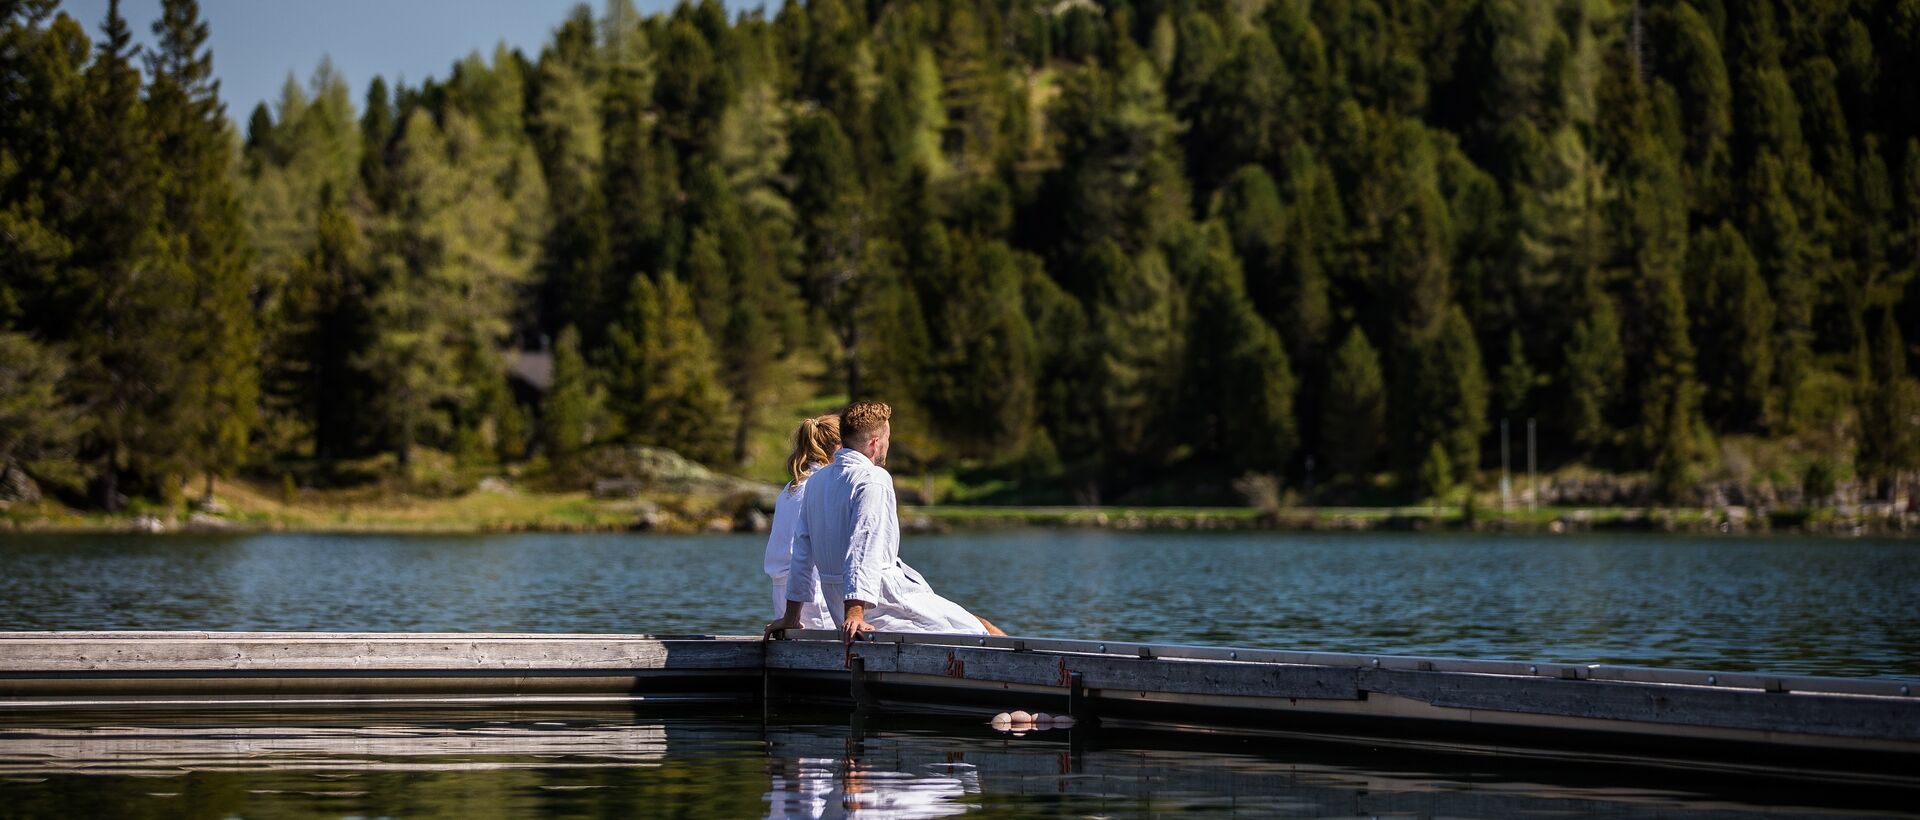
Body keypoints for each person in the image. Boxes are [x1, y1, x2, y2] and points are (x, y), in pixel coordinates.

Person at [767, 400, 1006, 644]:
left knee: (970, 623)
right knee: (980, 630)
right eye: (888, 439)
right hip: (882, 602)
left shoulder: (816, 482)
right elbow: (863, 544)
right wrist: (855, 613)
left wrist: (791, 616)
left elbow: (801, 552)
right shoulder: (873, 479)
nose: (888, 446)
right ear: (875, 442)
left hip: (843, 602)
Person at [763, 415, 840, 631]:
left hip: (783, 595)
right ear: (839, 447)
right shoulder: (822, 486)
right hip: (810, 596)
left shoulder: (791, 487)